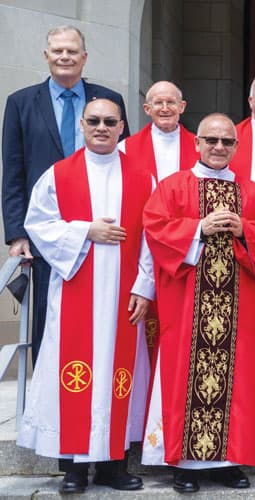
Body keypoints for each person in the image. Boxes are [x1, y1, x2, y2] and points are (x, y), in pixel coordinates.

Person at [15, 98, 152, 495]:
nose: (102, 127)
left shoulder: (142, 176)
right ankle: (74, 467)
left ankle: (113, 464)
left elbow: (151, 238)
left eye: (111, 121)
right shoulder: (58, 175)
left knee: (119, 376)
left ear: (123, 126)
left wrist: (144, 286)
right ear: (81, 125)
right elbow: (37, 224)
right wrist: (84, 232)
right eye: (94, 121)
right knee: (72, 378)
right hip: (76, 291)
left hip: (124, 298)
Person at [141, 113, 255, 493]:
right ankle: (184, 464)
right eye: (211, 140)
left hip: (240, 305)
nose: (219, 148)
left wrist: (245, 230)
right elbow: (154, 228)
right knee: (185, 375)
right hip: (187, 303)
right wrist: (198, 228)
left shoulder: (250, 191)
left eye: (227, 142)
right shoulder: (173, 186)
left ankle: (228, 462)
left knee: (237, 378)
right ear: (197, 143)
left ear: (236, 146)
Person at [2, 25, 129, 365]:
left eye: (72, 51)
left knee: (103, 323)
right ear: (46, 56)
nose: (64, 56)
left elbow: (124, 161)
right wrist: (17, 234)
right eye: (57, 50)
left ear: (84, 57)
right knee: (49, 321)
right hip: (49, 234)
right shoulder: (21, 103)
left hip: (104, 229)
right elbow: (13, 171)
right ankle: (50, 406)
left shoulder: (109, 101)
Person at [119, 80, 199, 363]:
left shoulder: (201, 147)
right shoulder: (126, 149)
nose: (165, 108)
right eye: (158, 103)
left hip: (186, 250)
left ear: (182, 107)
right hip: (141, 250)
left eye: (171, 102)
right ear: (146, 108)